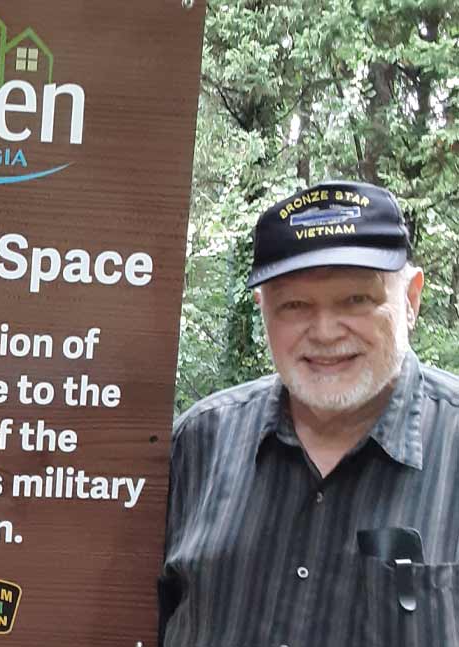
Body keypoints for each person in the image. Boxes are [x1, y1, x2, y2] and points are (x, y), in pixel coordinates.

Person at [159, 181, 459, 647]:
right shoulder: (197, 445)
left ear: (411, 299)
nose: (324, 331)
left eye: (356, 299)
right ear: (263, 311)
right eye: (295, 305)